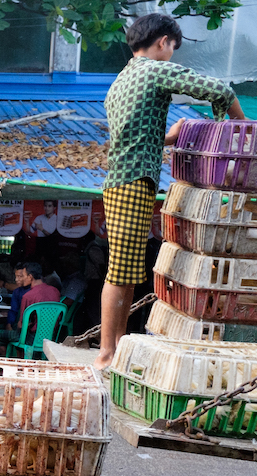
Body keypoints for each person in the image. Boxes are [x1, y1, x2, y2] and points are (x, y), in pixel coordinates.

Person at [95, 12, 243, 371]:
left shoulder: (122, 80)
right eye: (173, 48)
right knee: (120, 270)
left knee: (127, 268)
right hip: (132, 182)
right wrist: (244, 127)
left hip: (120, 179)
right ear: (162, 42)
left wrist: (168, 137)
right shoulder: (153, 70)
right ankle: (105, 354)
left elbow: (130, 136)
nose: (172, 55)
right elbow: (221, 90)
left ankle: (116, 349)